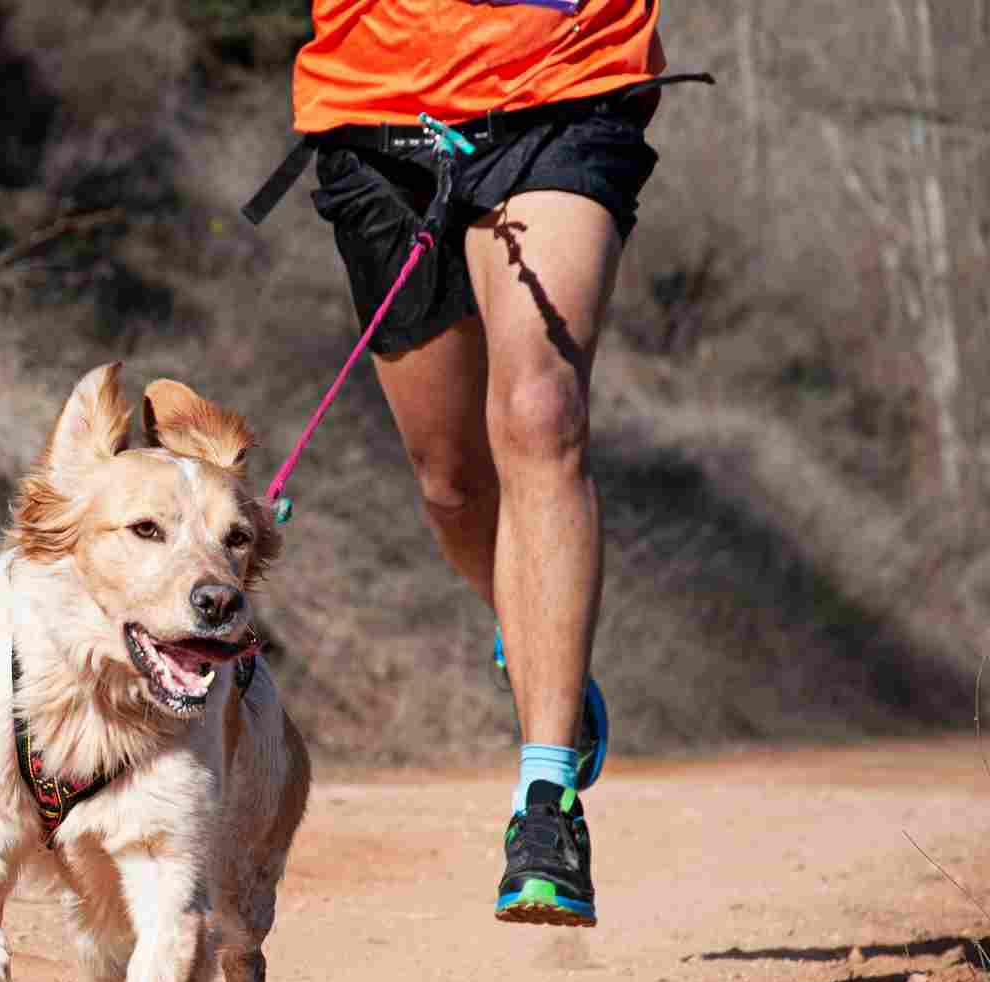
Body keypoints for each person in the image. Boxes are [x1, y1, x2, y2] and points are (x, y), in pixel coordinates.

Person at [261, 1, 700, 928]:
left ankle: (547, 806)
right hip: (380, 114)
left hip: (566, 94)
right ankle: (540, 644)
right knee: (450, 482)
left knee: (541, 411)